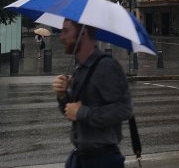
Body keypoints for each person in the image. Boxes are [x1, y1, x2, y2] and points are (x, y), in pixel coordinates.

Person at [52, 19, 131, 168]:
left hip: (102, 160)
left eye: (66, 31)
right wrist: (63, 95)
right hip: (80, 158)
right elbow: (71, 112)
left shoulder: (106, 67)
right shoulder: (80, 69)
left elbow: (124, 109)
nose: (61, 37)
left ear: (83, 33)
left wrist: (83, 112)